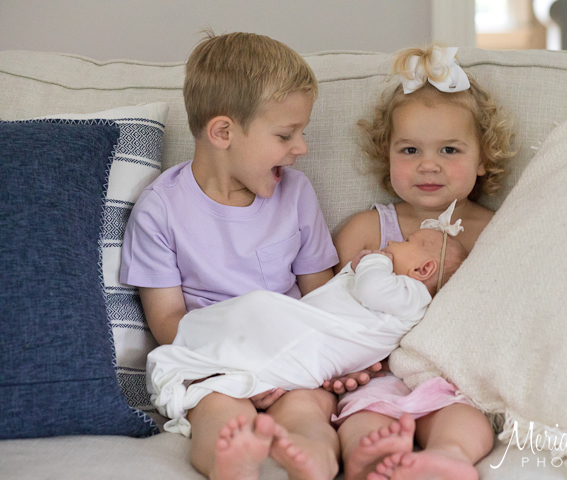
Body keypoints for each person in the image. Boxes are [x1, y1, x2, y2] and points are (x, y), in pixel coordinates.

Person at [121, 31, 349, 480]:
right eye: (285, 134)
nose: (301, 147)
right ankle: (231, 463)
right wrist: (239, 368)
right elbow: (168, 321)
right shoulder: (160, 210)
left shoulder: (296, 194)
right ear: (223, 132)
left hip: (290, 357)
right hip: (211, 364)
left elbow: (322, 297)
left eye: (301, 132)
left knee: (307, 409)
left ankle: (314, 458)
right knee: (217, 413)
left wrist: (327, 361)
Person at [331, 44, 516, 480]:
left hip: (449, 376)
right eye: (410, 150)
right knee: (361, 419)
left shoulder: (496, 232)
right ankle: (373, 459)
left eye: (449, 150)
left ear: (483, 157)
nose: (428, 166)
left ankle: (446, 457)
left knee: (465, 421)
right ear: (387, 154)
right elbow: (333, 311)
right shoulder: (365, 231)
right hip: (375, 376)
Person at [146, 216, 467, 441]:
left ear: (423, 269)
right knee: (256, 309)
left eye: (407, 241)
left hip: (311, 345)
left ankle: (214, 363)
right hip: (305, 329)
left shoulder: (413, 296)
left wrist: (373, 261)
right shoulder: (397, 289)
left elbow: (371, 289)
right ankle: (214, 356)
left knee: (260, 309)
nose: (393, 241)